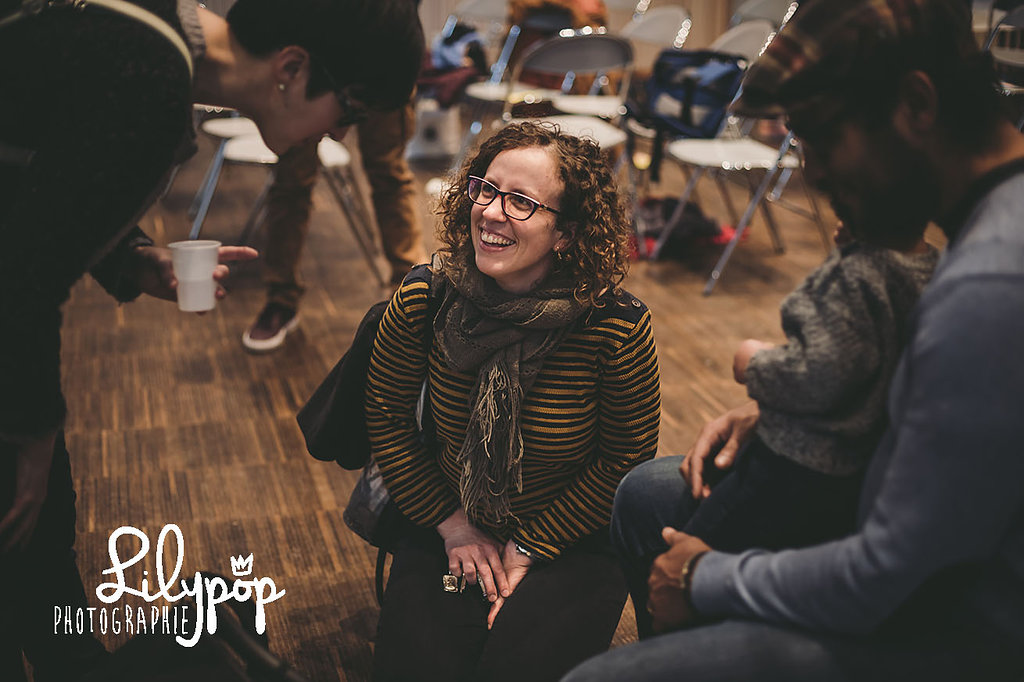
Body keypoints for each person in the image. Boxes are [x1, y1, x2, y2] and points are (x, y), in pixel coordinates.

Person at [563, 0, 1024, 680]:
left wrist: (707, 578)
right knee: (646, 497)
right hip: (912, 533)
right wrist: (783, 411)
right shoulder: (981, 214)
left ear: (916, 103)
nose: (813, 172)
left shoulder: (988, 284)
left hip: (962, 623)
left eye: (821, 139)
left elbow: (886, 574)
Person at [0, 1, 423, 680]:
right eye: (347, 110)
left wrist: (133, 256)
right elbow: (21, 277)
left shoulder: (151, 28)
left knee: (48, 600)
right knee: (35, 568)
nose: (340, 128)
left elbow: (36, 186)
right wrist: (29, 435)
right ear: (292, 67)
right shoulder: (151, 78)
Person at [365, 122, 661, 682]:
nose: (492, 212)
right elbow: (387, 419)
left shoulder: (615, 326)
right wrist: (452, 526)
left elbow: (625, 460)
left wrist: (530, 544)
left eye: (521, 201)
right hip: (450, 515)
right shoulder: (427, 295)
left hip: (571, 534)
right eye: (486, 188)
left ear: (567, 234)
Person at [617, 223, 939, 637]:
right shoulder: (930, 267)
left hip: (796, 470)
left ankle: (674, 637)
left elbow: (820, 375)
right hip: (850, 466)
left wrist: (755, 363)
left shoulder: (858, 274)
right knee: (645, 492)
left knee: (687, 550)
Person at [241, 103, 427, 352]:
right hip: (313, 74)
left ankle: (410, 297)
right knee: (290, 181)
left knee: (388, 174)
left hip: (381, 71)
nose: (338, 134)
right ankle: (280, 298)